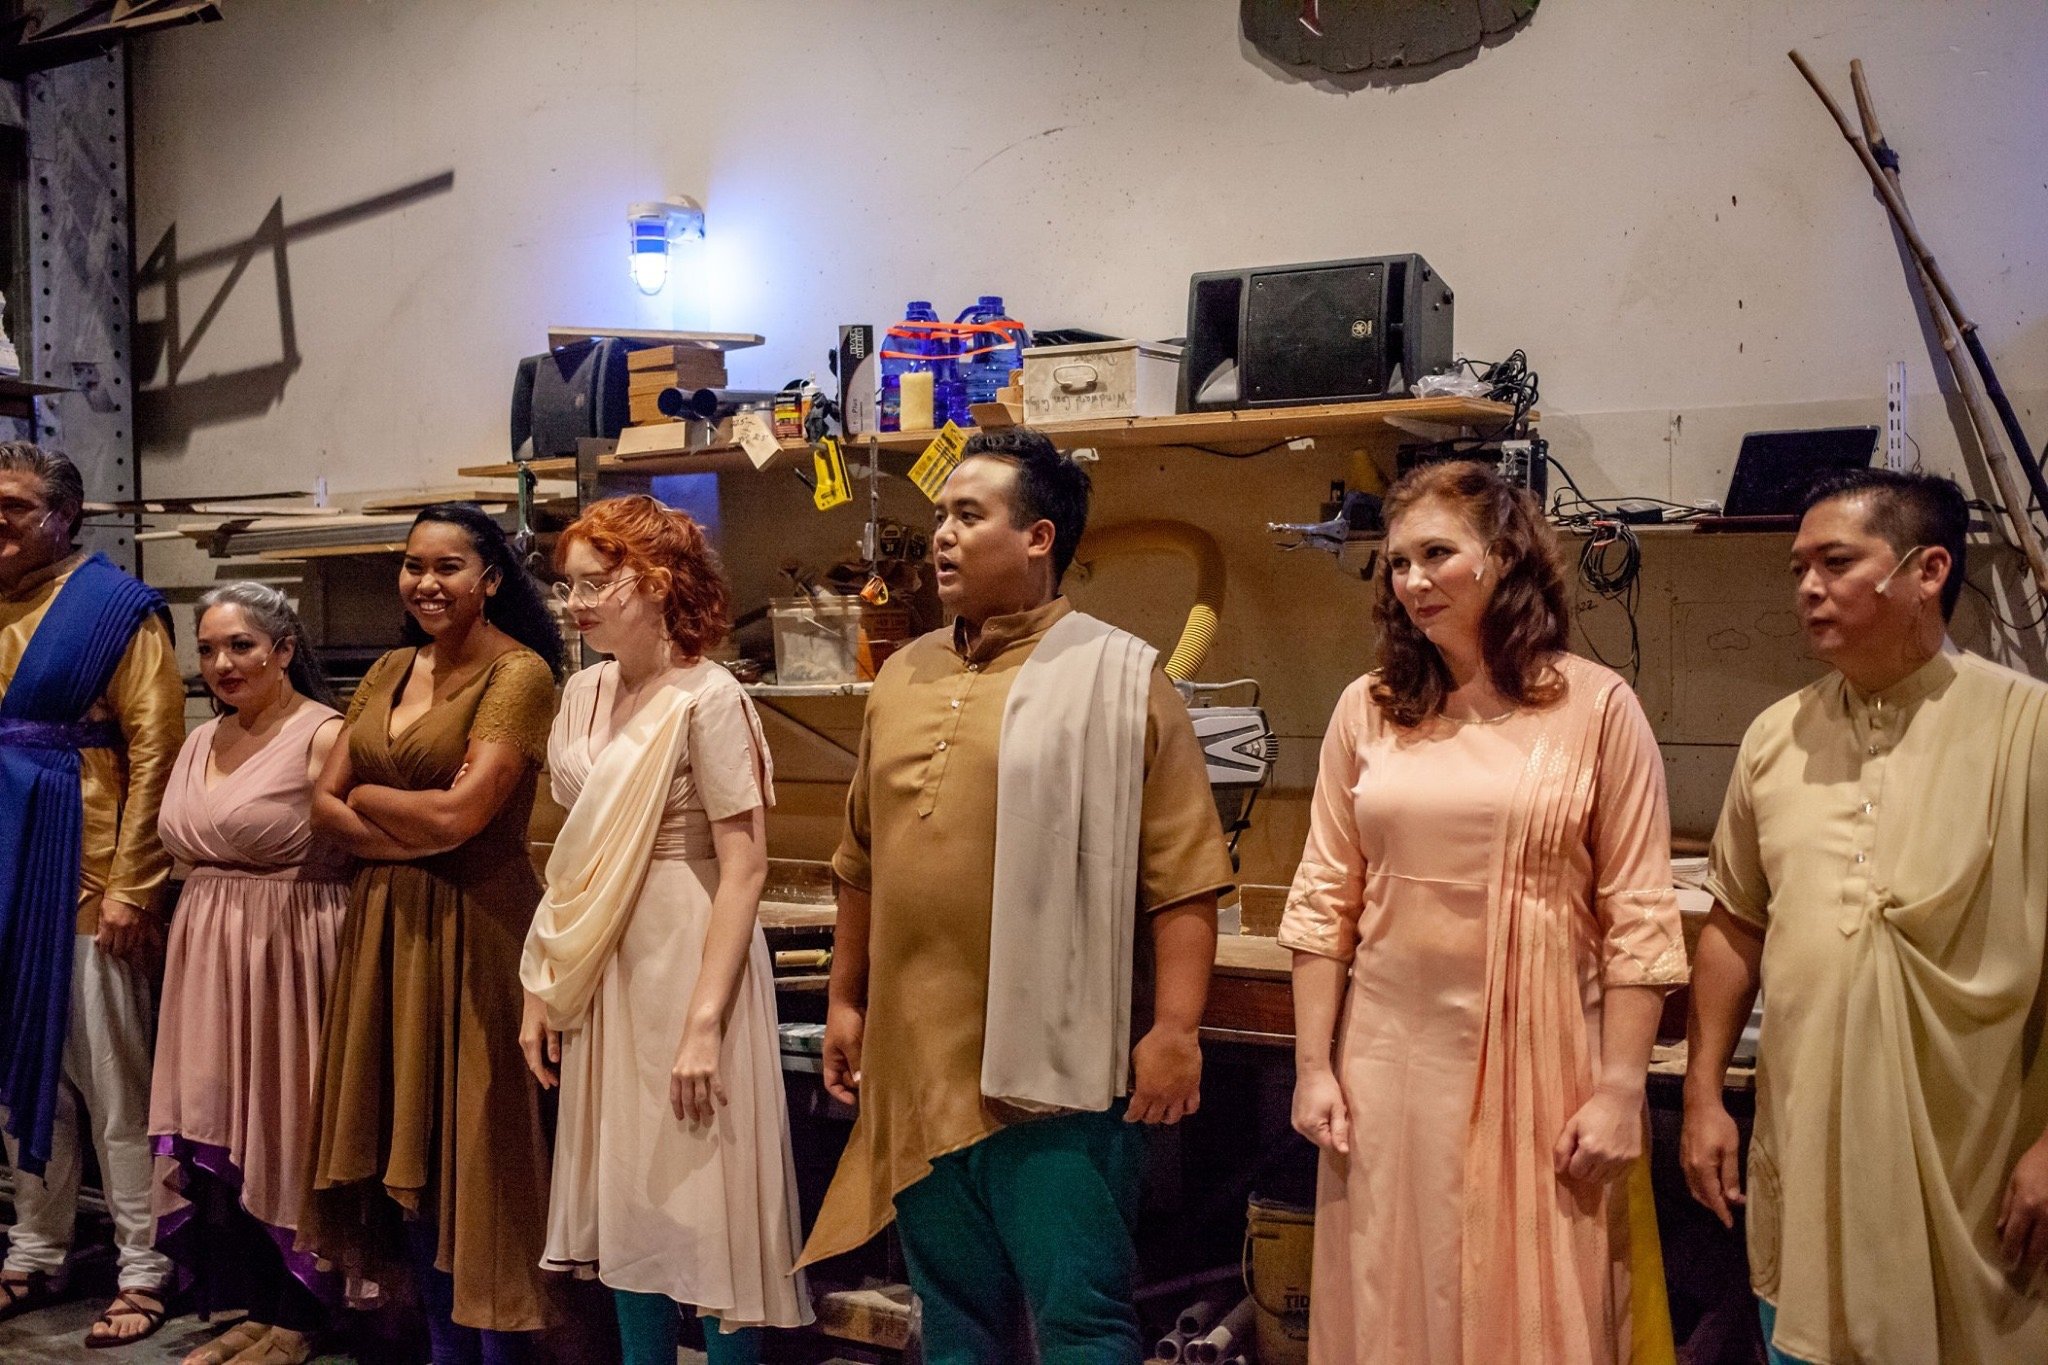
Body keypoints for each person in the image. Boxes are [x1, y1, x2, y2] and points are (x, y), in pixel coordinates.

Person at [799, 428, 1237, 1365]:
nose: (943, 537)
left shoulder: (1120, 676)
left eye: (968, 515)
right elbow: (860, 858)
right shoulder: (903, 675)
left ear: (1038, 537)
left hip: (1056, 1079)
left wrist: (1176, 1029)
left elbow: (1186, 872)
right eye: (939, 518)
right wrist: (845, 998)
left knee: (1081, 1321)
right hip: (916, 1065)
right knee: (953, 1325)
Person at [1283, 459, 1688, 1365]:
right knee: (1395, 1289)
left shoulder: (1596, 708)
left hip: (1541, 1056)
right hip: (1386, 1058)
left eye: (1437, 554)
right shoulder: (1371, 709)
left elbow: (1641, 918)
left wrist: (1623, 1088)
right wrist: (1314, 1067)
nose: (1414, 581)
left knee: (1532, 1305)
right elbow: (1323, 900)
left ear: (1503, 557)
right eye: (1397, 563)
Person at [1681, 469, 2048, 1364]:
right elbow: (1736, 923)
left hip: (1980, 1170)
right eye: (1798, 566)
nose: (1808, 586)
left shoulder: (2029, 730)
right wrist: (1700, 1093)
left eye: (1837, 562)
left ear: (1928, 571)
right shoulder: (1776, 736)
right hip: (1809, 1156)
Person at [518, 495, 811, 1364]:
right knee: (629, 1199)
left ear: (656, 582)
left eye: (596, 584)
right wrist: (545, 986)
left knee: (708, 1195)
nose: (576, 604)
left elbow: (746, 865)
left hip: (689, 953)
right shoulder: (582, 691)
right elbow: (572, 854)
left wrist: (703, 1022)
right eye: (568, 586)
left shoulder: (709, 697)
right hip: (605, 960)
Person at [300, 503, 562, 1365]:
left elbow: (462, 815)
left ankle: (503, 1352)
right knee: (399, 1157)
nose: (426, 582)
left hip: (475, 925)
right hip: (383, 927)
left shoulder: (519, 674)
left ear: (489, 578)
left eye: (448, 566)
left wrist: (369, 800)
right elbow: (320, 808)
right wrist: (389, 816)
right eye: (414, 565)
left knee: (474, 1159)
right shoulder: (386, 666)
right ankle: (445, 1349)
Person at [0, 442, 182, 1348]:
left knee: (114, 1078)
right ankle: (35, 1245)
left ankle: (145, 1264)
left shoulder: (116, 611)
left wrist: (131, 885)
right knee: (17, 1072)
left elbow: (155, 752)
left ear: (65, 516)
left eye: (15, 506)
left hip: (81, 875)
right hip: (2, 869)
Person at [149, 583, 349, 1365]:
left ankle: (302, 1315)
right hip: (205, 950)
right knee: (221, 1120)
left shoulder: (323, 733)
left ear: (284, 650)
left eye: (239, 646)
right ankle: (256, 1304)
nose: (222, 663)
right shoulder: (203, 737)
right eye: (207, 649)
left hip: (290, 949)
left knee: (286, 1127)